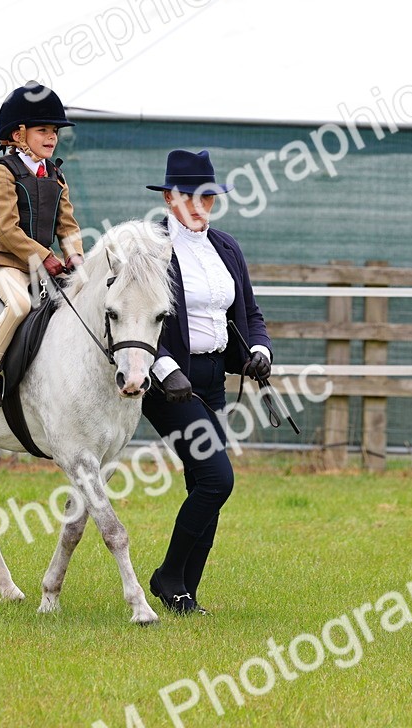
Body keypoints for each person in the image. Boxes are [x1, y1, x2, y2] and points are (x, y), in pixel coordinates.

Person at [142, 149, 272, 615]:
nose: (201, 207)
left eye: (209, 199)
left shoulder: (226, 247)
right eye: (192, 197)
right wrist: (162, 366)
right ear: (171, 197)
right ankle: (167, 576)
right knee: (218, 479)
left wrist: (260, 350)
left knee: (203, 481)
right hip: (169, 383)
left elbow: (250, 314)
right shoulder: (150, 247)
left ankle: (183, 593)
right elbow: (132, 320)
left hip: (214, 376)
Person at [0, 82, 85, 407]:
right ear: (19, 135)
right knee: (20, 304)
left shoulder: (56, 176)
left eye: (54, 131)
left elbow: (68, 224)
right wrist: (45, 257)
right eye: (43, 130)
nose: (52, 137)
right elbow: (6, 228)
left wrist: (74, 255)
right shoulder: (2, 172)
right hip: (5, 260)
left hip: (44, 263)